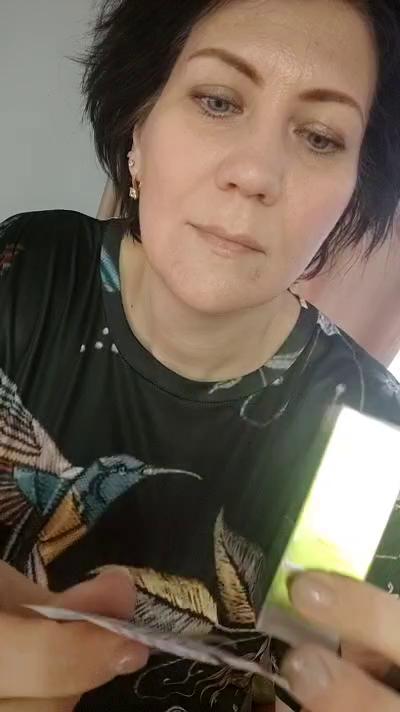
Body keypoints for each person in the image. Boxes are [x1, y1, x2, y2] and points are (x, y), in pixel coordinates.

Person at [1, 0, 400, 710]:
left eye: (319, 137)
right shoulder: (25, 270)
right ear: (139, 128)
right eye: (218, 101)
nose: (255, 172)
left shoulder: (371, 432)